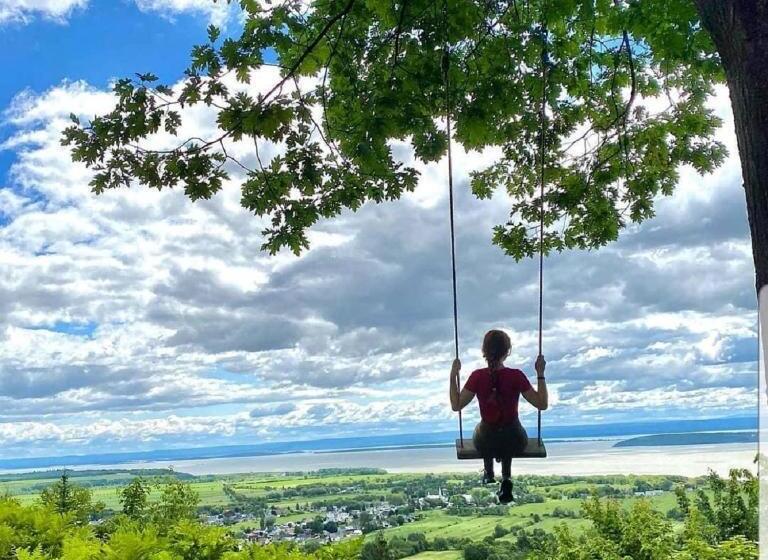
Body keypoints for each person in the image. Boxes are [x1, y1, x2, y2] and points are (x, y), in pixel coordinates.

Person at [448, 329, 548, 503]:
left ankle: (488, 472)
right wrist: (540, 373)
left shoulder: (477, 377)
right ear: (507, 351)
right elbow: (542, 404)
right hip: (514, 440)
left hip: (487, 441)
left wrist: (453, 375)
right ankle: (506, 478)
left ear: (484, 352)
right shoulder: (516, 376)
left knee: (485, 429)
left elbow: (456, 405)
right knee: (509, 429)